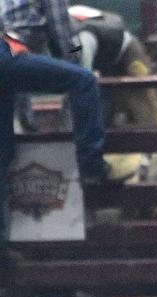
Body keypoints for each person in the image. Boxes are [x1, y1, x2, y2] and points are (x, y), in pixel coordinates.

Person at [2, 1, 125, 241]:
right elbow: (64, 37)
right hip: (8, 53)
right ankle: (91, 167)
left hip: (8, 58)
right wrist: (77, 61)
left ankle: (2, 251)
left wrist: (28, 119)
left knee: (2, 153)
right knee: (84, 81)